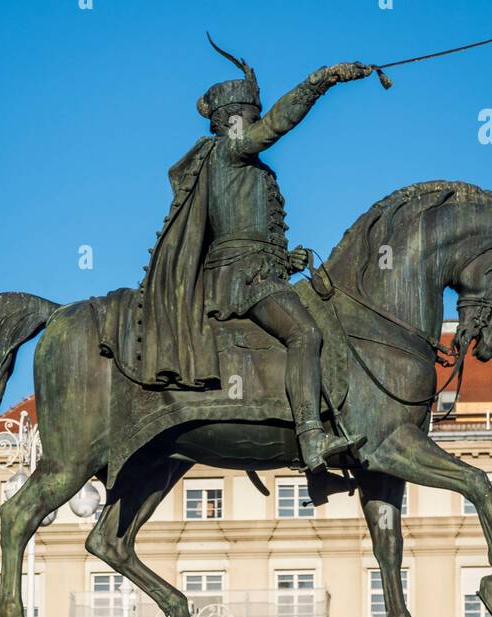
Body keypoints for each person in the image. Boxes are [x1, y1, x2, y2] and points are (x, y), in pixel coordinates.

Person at [101, 37, 373, 474]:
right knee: (304, 334)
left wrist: (287, 258)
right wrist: (321, 80)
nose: (257, 124)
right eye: (250, 117)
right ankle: (311, 436)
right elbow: (279, 124)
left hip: (261, 271)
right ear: (230, 122)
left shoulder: (245, 167)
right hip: (241, 280)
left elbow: (247, 232)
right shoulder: (228, 152)